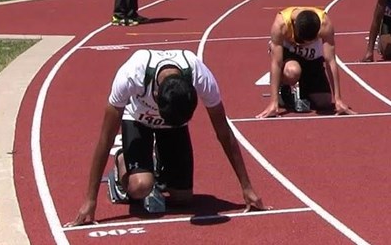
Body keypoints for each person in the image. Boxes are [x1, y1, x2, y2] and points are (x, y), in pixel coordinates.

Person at [64, 50, 268, 227]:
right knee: (140, 187)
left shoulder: (199, 74)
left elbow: (224, 132)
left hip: (175, 126)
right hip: (137, 120)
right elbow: (105, 138)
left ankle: (157, 167)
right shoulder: (131, 74)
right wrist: (90, 200)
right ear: (155, 93)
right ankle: (121, 163)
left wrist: (247, 188)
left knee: (184, 199)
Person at [256, 7, 356, 118]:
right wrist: (273, 103)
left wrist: (338, 99)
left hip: (312, 58)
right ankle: (283, 87)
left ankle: (303, 90)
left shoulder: (325, 24)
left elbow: (330, 60)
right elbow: (276, 62)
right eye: (302, 41)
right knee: (292, 71)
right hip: (289, 56)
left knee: (324, 102)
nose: (304, 44)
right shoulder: (281, 24)